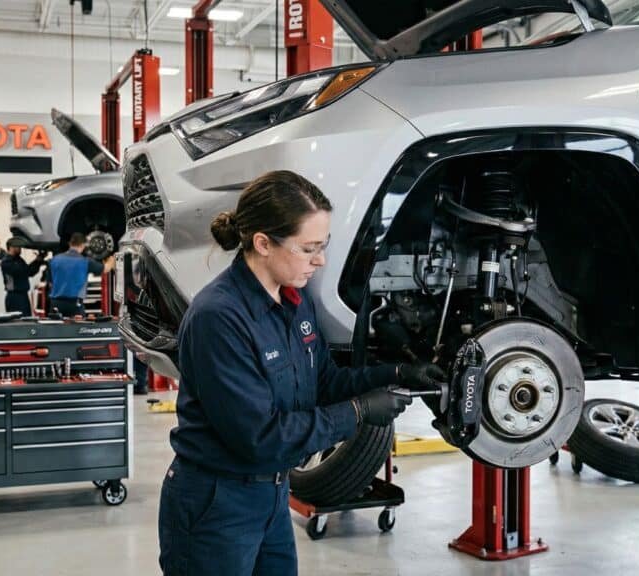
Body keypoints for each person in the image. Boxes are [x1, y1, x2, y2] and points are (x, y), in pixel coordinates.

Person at [157, 170, 445, 575]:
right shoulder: (219, 319)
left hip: (272, 494)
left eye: (323, 246)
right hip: (217, 503)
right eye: (308, 248)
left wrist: (394, 373)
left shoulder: (295, 300)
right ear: (262, 243)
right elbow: (260, 438)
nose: (320, 260)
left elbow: (323, 382)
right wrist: (359, 413)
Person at [47, 233, 114, 317]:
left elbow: (50, 283)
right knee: (78, 329)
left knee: (55, 329)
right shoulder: (85, 261)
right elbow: (106, 269)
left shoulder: (54, 260)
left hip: (55, 304)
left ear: (70, 244)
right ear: (83, 245)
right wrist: (112, 258)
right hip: (74, 305)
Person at [0, 239, 47, 318]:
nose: (20, 249)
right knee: (17, 323)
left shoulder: (19, 260)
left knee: (26, 320)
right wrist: (36, 261)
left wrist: (38, 261)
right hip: (14, 297)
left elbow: (30, 272)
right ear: (11, 247)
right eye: (18, 247)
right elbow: (23, 271)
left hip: (23, 296)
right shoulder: (6, 262)